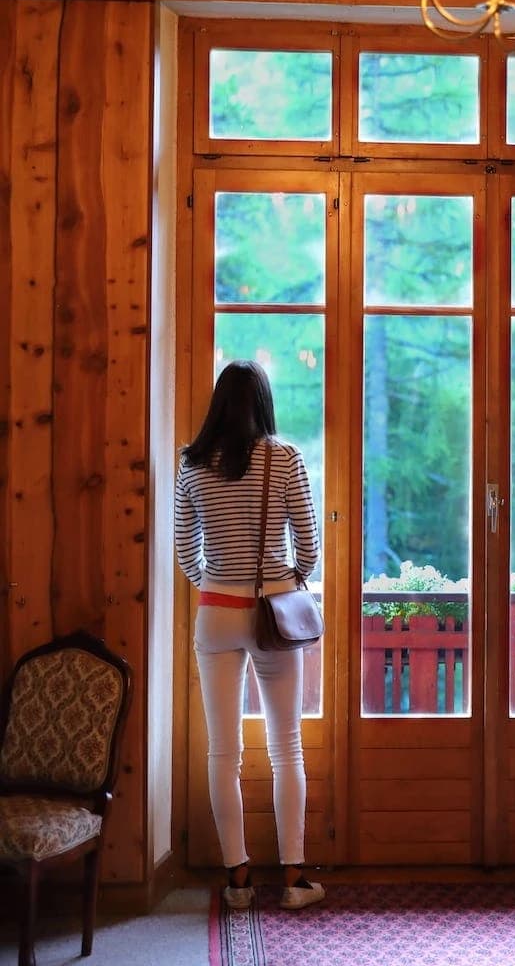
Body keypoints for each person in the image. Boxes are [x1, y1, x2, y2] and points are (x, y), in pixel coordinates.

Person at [174, 359, 324, 912]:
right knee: (287, 748)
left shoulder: (191, 465)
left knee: (223, 751)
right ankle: (293, 879)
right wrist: (283, 577)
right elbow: (309, 548)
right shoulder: (285, 459)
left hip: (215, 612)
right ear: (263, 402)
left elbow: (186, 550)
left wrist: (216, 582)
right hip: (272, 614)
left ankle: (237, 881)